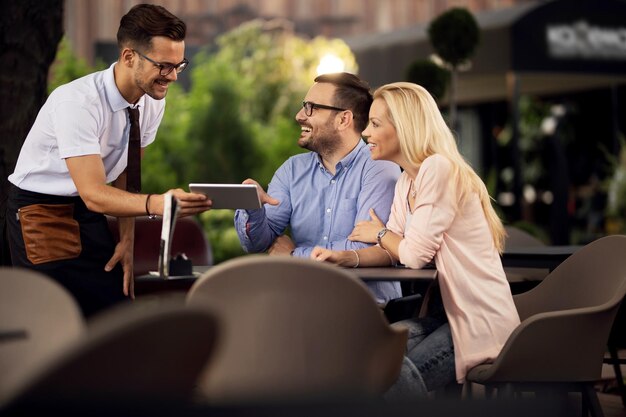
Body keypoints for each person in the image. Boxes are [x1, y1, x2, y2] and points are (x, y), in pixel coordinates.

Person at [311, 82, 520, 395]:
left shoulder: (438, 169)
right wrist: (347, 257)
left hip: (478, 322)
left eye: (375, 124)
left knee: (391, 380)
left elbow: (413, 254)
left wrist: (381, 233)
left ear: (405, 128)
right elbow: (394, 251)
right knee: (367, 353)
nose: (365, 133)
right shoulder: (407, 181)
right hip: (445, 315)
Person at [6, 4, 212, 317]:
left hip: (92, 212)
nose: (171, 77)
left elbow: (126, 175)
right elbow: (92, 193)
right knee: (56, 319)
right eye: (163, 66)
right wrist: (158, 205)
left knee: (113, 312)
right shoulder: (77, 102)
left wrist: (126, 241)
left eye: (178, 66)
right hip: (42, 213)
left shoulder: (152, 100)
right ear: (129, 57)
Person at [234, 72, 402, 304]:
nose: (299, 116)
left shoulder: (380, 167)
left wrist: (294, 255)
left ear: (343, 119)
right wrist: (253, 207)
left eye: (311, 107)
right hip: (303, 305)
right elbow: (259, 243)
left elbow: (363, 248)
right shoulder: (292, 170)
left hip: (366, 308)